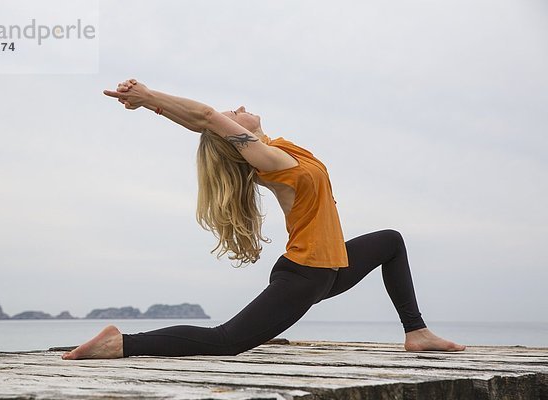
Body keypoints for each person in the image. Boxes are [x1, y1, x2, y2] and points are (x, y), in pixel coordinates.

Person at [62, 79, 465, 360]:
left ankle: (416, 331)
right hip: (304, 275)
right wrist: (148, 96)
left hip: (331, 267)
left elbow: (201, 125)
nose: (236, 109)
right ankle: (122, 342)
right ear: (236, 137)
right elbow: (204, 119)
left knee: (390, 241)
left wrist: (157, 105)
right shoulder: (271, 162)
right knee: (227, 341)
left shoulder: (277, 148)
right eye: (231, 114)